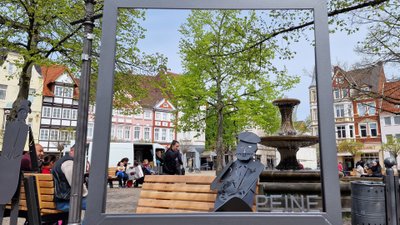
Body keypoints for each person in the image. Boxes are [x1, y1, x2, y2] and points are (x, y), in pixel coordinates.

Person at [52, 144, 88, 212]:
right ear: (71, 150)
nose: (81, 155)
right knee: (94, 204)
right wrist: (86, 194)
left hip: (61, 200)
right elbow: (76, 184)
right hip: (65, 202)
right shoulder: (68, 163)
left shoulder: (61, 161)